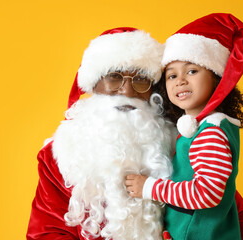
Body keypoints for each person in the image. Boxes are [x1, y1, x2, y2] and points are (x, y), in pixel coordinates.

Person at [26, 27, 175, 240]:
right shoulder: (60, 154)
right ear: (94, 84)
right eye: (114, 77)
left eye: (141, 79)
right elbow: (47, 231)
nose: (127, 91)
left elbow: (226, 215)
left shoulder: (184, 145)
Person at [125, 13, 243, 240]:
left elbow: (206, 193)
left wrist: (150, 188)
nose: (180, 81)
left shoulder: (211, 133)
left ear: (216, 77)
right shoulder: (197, 128)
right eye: (171, 75)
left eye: (192, 71)